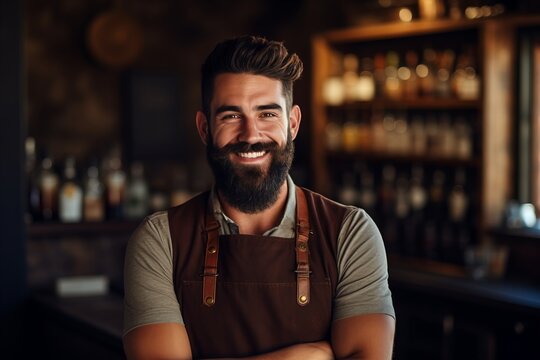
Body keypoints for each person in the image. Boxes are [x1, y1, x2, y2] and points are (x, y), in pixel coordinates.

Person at [123, 35, 395, 360]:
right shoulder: (159, 240)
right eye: (231, 116)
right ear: (205, 128)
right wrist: (302, 357)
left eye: (267, 114)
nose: (251, 135)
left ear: (292, 123)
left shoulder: (350, 232)